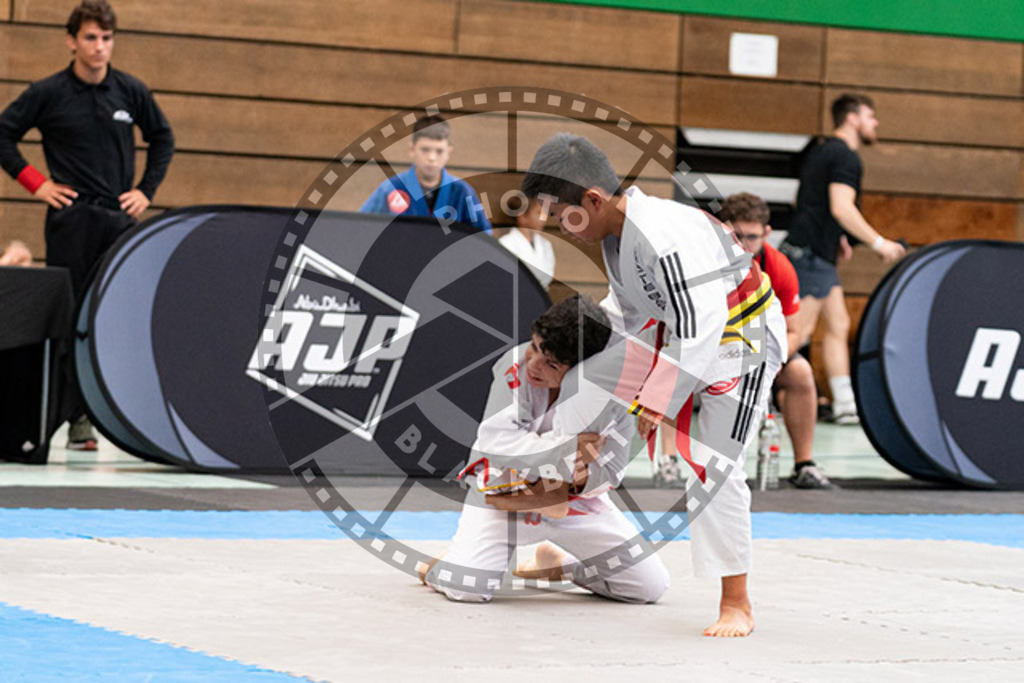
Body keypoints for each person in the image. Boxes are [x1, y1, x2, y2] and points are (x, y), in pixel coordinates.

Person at [522, 134, 787, 638]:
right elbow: (630, 316)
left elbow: (702, 324)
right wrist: (599, 403)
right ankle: (570, 518)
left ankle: (737, 601)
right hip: (678, 334)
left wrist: (655, 399)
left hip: (742, 339)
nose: (559, 226)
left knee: (711, 465)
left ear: (594, 200)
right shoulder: (616, 237)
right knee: (587, 383)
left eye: (562, 215)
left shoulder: (664, 235)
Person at [0, 0, 175, 449]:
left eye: (107, 38)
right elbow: (3, 134)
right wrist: (37, 184)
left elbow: (163, 138)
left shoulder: (130, 91)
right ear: (72, 41)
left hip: (118, 220)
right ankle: (71, 419)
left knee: (112, 317)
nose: (100, 47)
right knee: (70, 315)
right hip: (71, 220)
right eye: (92, 38)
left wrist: (146, 191)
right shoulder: (49, 92)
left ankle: (117, 414)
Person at [423, 295, 669, 605]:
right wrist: (568, 454)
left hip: (573, 505)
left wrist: (577, 480)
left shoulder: (608, 397)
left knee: (648, 587)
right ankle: (449, 567)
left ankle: (560, 565)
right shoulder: (513, 365)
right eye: (535, 346)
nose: (533, 365)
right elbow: (496, 444)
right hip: (504, 495)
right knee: (466, 588)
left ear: (582, 369)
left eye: (551, 363)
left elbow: (612, 471)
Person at [781, 94, 904, 425]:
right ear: (852, 118)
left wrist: (839, 239)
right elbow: (841, 206)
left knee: (838, 324)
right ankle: (757, 396)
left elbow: (800, 201)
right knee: (798, 333)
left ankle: (846, 403)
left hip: (816, 251)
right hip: (811, 256)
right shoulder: (847, 157)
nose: (875, 123)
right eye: (870, 116)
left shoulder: (819, 151)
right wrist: (879, 243)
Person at [720, 193, 832, 489]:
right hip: (712, 350)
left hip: (761, 352)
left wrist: (766, 360)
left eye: (752, 237)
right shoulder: (702, 262)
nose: (744, 245)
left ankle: (804, 464)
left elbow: (795, 331)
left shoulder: (779, 266)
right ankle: (668, 462)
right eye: (737, 236)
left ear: (767, 233)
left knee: (801, 373)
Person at [360, 115, 492, 234]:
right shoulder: (391, 188)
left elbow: (484, 239)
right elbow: (361, 228)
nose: (432, 158)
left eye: (439, 151)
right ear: (412, 149)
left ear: (448, 152)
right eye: (425, 150)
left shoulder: (462, 192)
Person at [498, 196, 555, 289]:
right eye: (538, 213)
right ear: (522, 217)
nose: (543, 218)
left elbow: (548, 274)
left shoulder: (545, 245)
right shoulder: (506, 244)